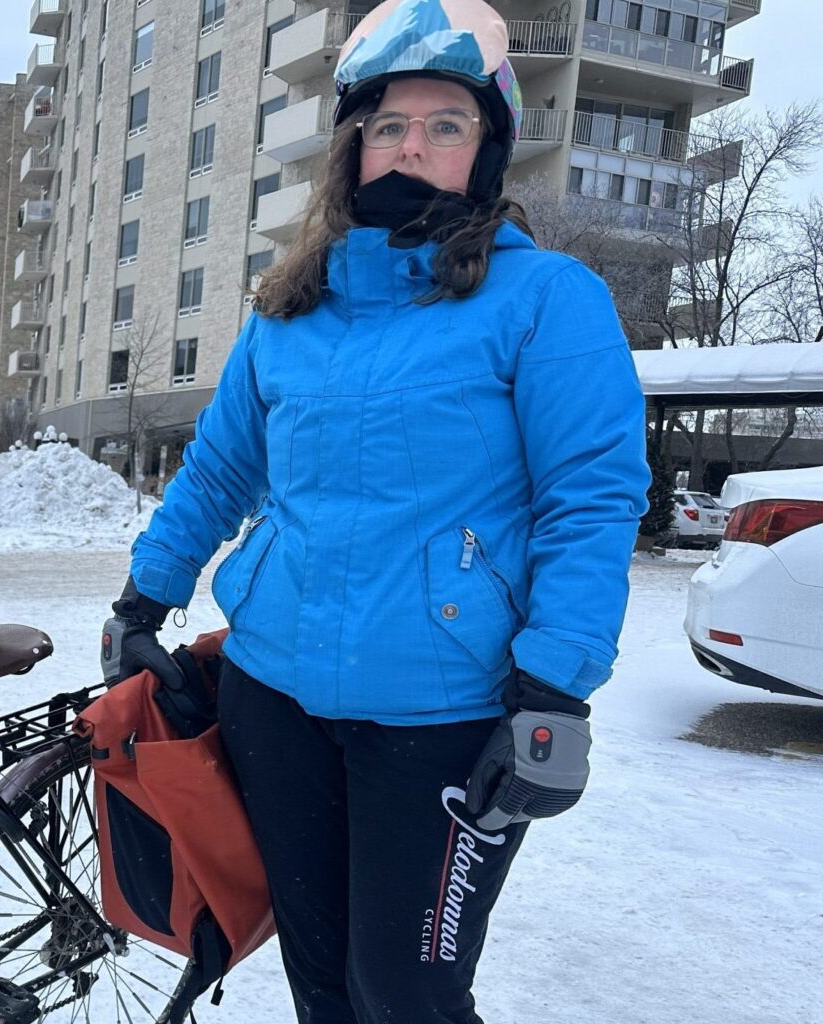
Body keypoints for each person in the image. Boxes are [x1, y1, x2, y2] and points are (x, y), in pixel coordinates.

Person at [98, 2, 651, 1021]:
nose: (413, 146)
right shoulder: (287, 314)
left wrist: (554, 686)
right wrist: (146, 594)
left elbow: (591, 499)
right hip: (277, 704)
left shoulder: (546, 301)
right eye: (390, 124)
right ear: (353, 146)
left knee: (406, 993)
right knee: (322, 984)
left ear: (487, 148)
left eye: (447, 123)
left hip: (447, 717)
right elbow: (220, 471)